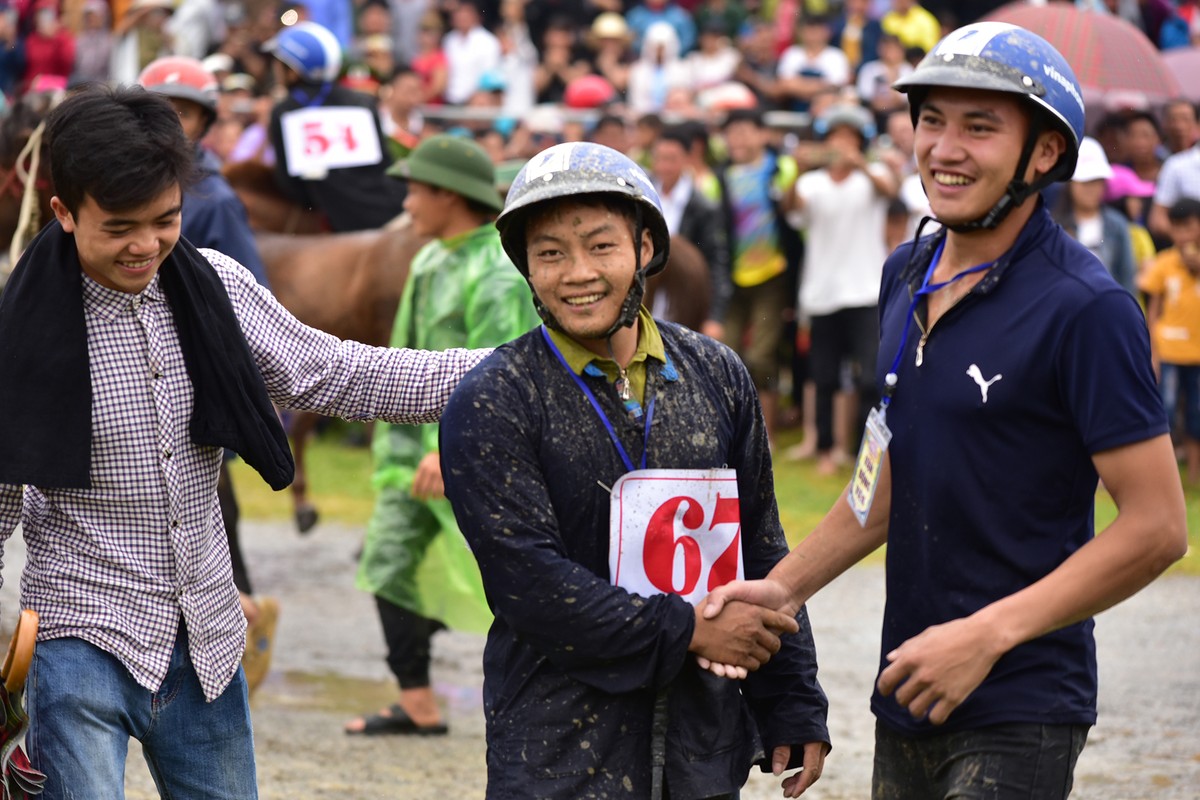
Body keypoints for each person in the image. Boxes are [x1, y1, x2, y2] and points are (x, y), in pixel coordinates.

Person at [703, 22, 1188, 800]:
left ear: (1044, 155)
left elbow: (1158, 527)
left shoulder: (1087, 308)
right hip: (912, 685)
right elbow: (885, 473)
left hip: (1022, 698)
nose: (945, 148)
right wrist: (786, 588)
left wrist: (987, 635)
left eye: (980, 126)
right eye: (932, 119)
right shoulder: (906, 272)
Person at [0, 84, 490, 799]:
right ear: (65, 213)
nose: (146, 245)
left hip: (207, 636)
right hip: (78, 636)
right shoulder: (20, 334)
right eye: (120, 227)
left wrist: (511, 372)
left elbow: (339, 374)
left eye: (165, 220)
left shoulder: (217, 288)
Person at [438, 140, 830, 799]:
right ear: (526, 267)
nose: (576, 273)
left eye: (600, 245)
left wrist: (791, 693)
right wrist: (692, 629)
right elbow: (529, 582)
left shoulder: (718, 374)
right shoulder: (497, 396)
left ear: (645, 248)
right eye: (550, 253)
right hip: (557, 746)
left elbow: (758, 541)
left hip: (701, 736)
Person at [344, 134, 540, 737]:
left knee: (508, 574)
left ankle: (551, 698)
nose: (407, 201)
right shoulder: (429, 259)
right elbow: (403, 355)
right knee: (389, 561)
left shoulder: (498, 272)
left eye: (416, 188)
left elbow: (499, 369)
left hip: (467, 456)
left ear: (449, 196)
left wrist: (445, 448)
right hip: (410, 458)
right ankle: (418, 700)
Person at [137, 54, 282, 693]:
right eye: (157, 111)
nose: (168, 124)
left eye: (183, 113)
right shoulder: (122, 186)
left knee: (208, 504)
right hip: (137, 377)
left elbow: (249, 294)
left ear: (203, 121)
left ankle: (243, 615)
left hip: (195, 374)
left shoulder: (213, 200)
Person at [784, 103, 897, 476]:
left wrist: (861, 163)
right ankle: (827, 450)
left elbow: (889, 189)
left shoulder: (872, 175)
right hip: (822, 293)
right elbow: (791, 209)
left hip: (866, 291)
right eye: (835, 138)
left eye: (849, 138)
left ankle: (863, 449)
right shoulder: (812, 183)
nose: (841, 145)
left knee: (870, 377)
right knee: (825, 376)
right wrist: (798, 170)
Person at [265, 20, 408, 232]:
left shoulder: (284, 112)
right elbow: (384, 163)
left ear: (293, 71)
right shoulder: (363, 101)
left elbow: (292, 187)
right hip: (397, 208)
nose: (274, 68)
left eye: (279, 62)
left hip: (342, 226)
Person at [1139, 198, 1200, 484]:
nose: (1184, 235)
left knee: (1197, 414)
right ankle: (1164, 478)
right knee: (1166, 408)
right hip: (1171, 351)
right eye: (1178, 228)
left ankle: (1194, 478)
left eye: (1190, 227)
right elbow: (1154, 310)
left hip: (1198, 353)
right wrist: (1153, 351)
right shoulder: (1164, 264)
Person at [1052, 136, 1137, 295]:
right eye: (1085, 182)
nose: (1091, 189)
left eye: (1096, 181)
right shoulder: (1055, 226)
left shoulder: (1117, 224)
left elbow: (1127, 276)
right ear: (1071, 185)